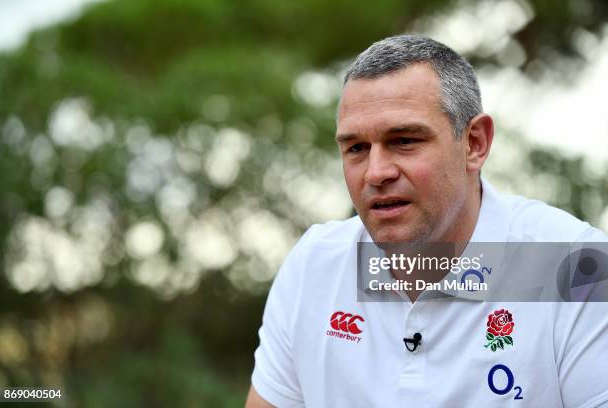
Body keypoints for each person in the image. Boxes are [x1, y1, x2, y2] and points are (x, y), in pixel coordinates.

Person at [245, 35, 608, 407]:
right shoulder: (314, 265)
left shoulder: (578, 268)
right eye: (356, 148)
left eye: (404, 140)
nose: (376, 172)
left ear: (475, 143)